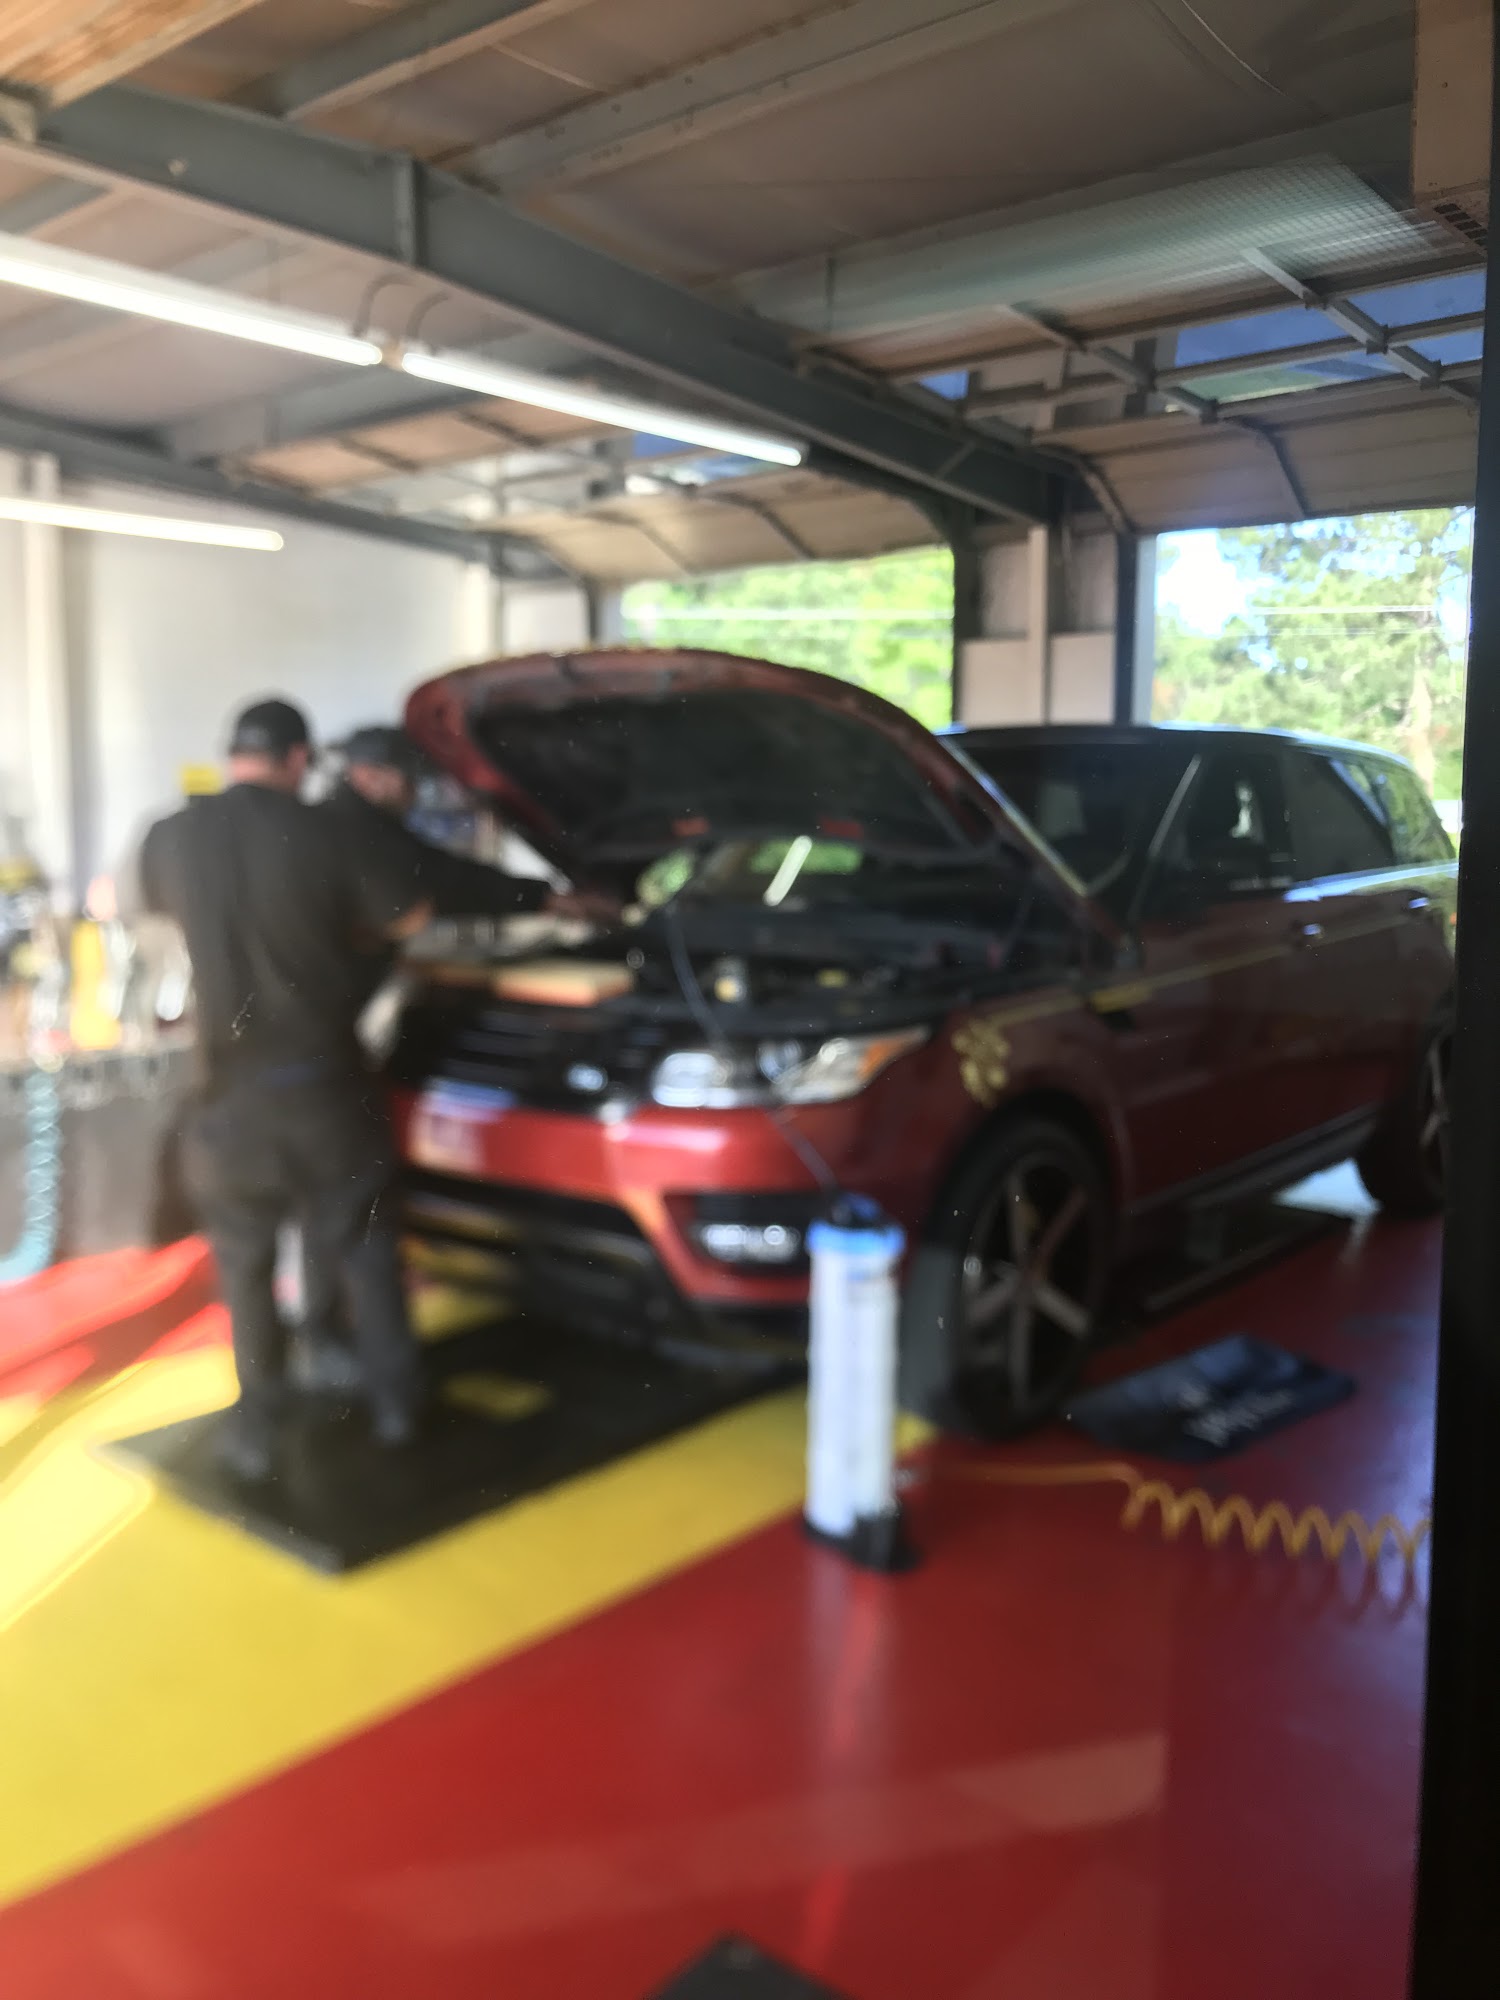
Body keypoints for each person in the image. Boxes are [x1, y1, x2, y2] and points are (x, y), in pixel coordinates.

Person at [137, 698, 431, 1480]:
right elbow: (413, 914)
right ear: (299, 759)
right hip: (324, 1091)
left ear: (232, 755)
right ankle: (396, 1406)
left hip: (225, 1101)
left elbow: (131, 903)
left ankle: (256, 1427)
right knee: (365, 1248)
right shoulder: (326, 832)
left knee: (245, 1266)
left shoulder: (169, 833)